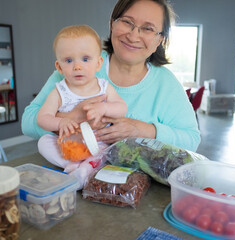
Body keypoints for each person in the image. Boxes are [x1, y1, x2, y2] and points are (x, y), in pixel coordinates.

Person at [22, 0, 201, 156]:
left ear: (160, 40)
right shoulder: (81, 63)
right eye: (127, 22)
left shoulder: (166, 83)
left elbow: (192, 139)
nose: (133, 35)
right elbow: (28, 122)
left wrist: (141, 129)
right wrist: (73, 118)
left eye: (148, 28)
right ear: (112, 24)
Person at [36, 25, 127, 172]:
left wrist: (104, 107)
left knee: (113, 147)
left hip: (98, 142)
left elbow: (122, 107)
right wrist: (61, 122)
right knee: (43, 143)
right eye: (69, 60)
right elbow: (42, 118)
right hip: (68, 144)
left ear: (98, 64)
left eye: (85, 59)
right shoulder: (59, 91)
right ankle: (71, 164)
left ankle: (84, 168)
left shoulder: (104, 87)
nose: (77, 66)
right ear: (59, 67)